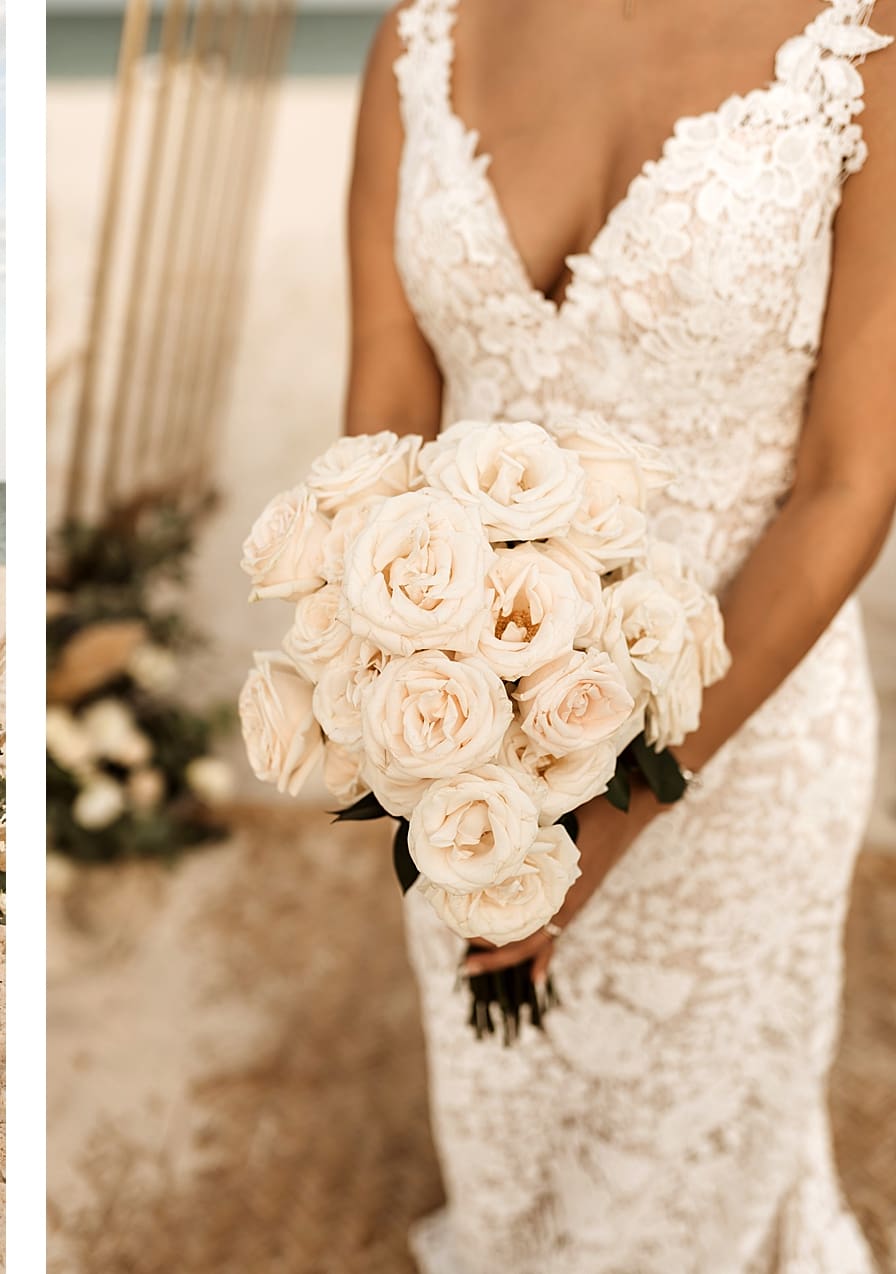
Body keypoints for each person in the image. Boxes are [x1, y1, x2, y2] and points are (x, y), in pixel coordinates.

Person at [343, 0, 896, 1267]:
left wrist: (588, 840)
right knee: (515, 1149)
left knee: (680, 1186)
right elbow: (388, 384)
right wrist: (395, 693)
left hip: (742, 743)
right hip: (473, 732)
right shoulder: (416, 41)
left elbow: (850, 483)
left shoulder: (863, 46)